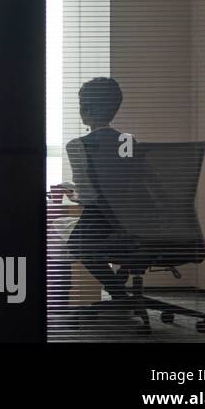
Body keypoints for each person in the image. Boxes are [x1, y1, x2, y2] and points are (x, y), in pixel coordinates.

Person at [61, 77, 144, 302]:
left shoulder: (77, 145)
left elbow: (90, 197)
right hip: (135, 222)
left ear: (84, 109)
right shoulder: (128, 141)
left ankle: (117, 292)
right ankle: (121, 287)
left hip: (101, 222)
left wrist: (74, 194)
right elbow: (132, 183)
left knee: (67, 239)